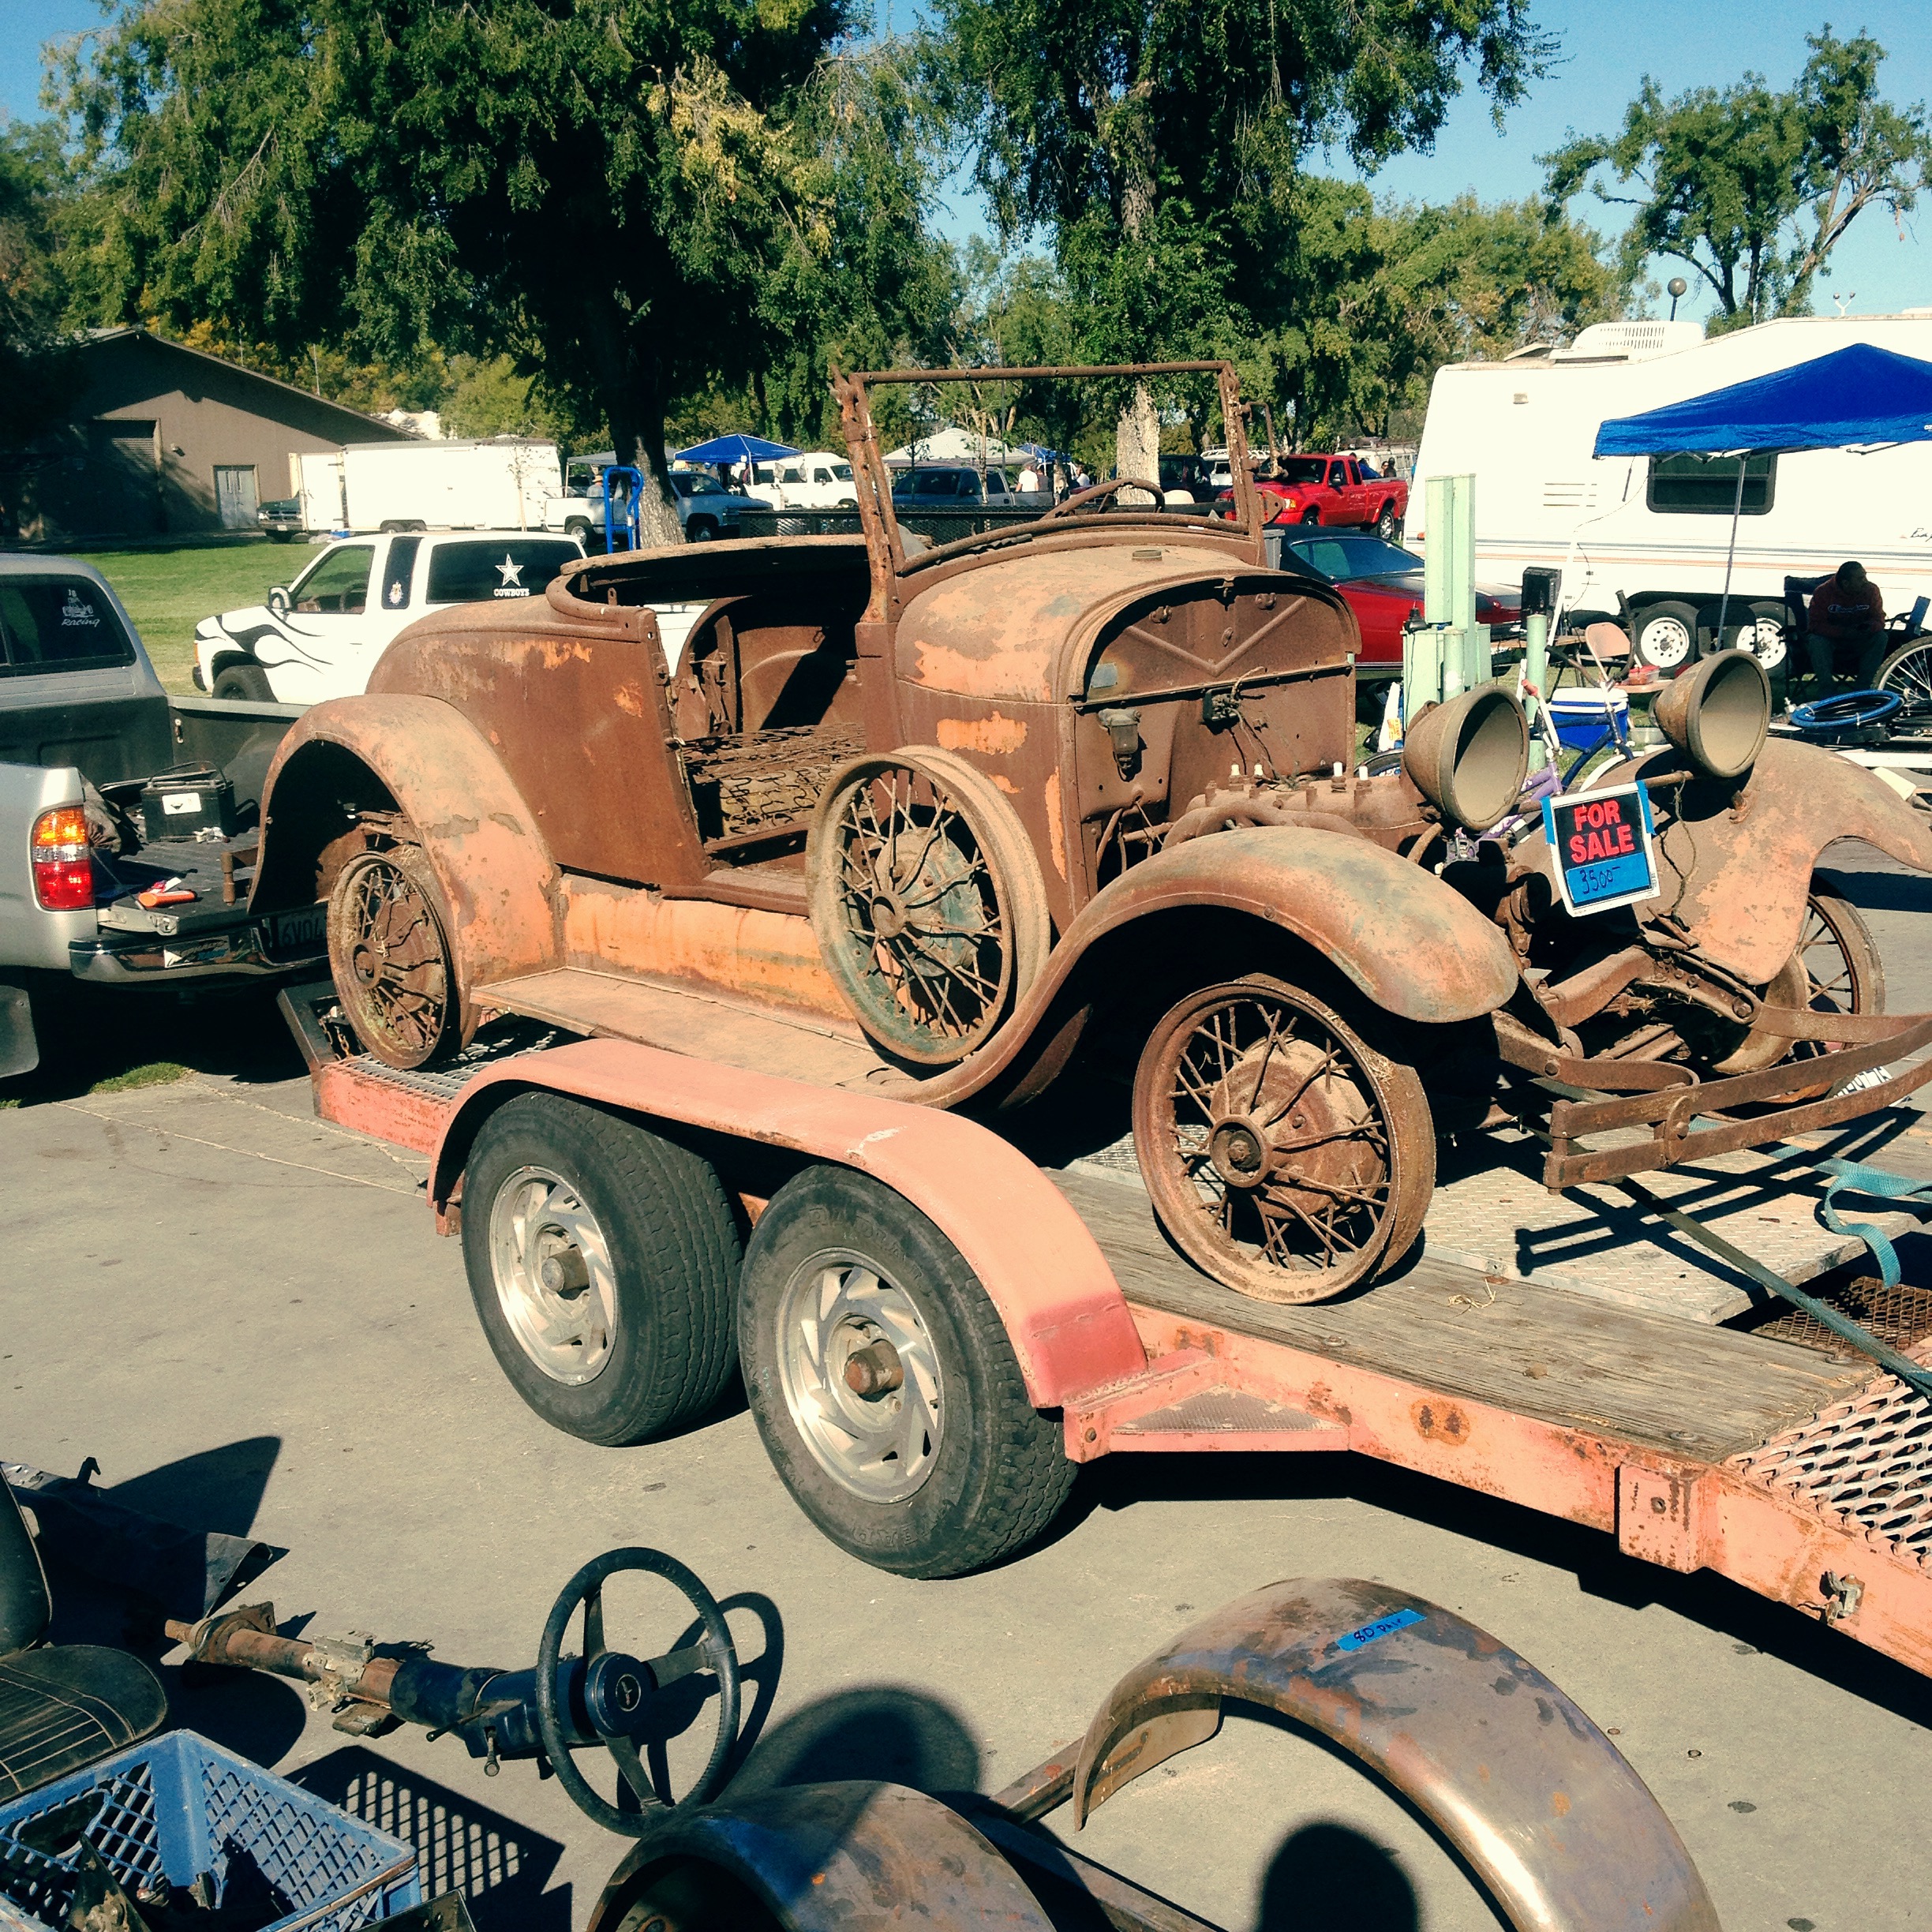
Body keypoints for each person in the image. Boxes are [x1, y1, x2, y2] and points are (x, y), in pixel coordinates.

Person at [1807, 561, 1888, 690]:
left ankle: (1864, 688)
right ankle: (1827, 690)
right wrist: (1843, 632)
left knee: (1881, 637)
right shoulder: (1823, 592)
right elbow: (1815, 626)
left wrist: (1869, 627)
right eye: (1860, 579)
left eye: (1865, 576)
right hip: (1832, 642)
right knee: (1816, 641)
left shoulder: (1871, 590)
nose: (1865, 581)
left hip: (1860, 640)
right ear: (1846, 583)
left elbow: (1879, 619)